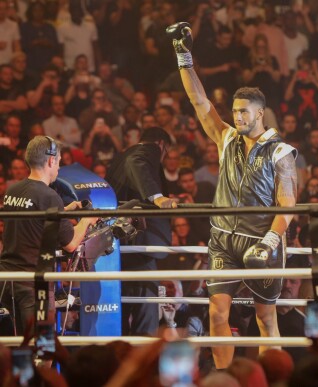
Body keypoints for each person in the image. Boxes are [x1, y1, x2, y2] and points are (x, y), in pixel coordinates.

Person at [167, 22, 298, 369]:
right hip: (224, 239)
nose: (238, 116)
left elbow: (288, 204)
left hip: (262, 239)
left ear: (260, 113)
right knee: (217, 312)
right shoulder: (225, 138)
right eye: (235, 110)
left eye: (244, 111)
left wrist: (269, 242)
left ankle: (272, 379)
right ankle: (223, 377)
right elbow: (199, 100)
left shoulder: (281, 152)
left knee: (266, 317)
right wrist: (184, 56)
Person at [0, 136, 97, 333]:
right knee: (43, 347)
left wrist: (64, 211)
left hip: (7, 279)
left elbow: (32, 221)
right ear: (51, 160)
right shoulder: (49, 196)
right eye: (59, 161)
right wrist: (88, 219)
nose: (59, 167)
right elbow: (70, 243)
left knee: (18, 345)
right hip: (33, 284)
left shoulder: (13, 190)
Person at [106, 127, 178, 336]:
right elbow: (136, 163)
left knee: (125, 307)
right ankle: (143, 359)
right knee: (145, 308)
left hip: (124, 245)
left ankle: (125, 357)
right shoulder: (147, 151)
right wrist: (157, 197)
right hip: (140, 245)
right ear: (161, 145)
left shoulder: (120, 157)